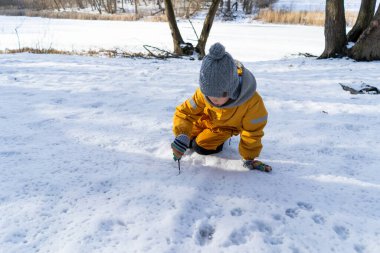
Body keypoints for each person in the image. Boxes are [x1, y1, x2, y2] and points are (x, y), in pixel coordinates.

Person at [171, 43, 271, 172]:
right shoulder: (203, 93)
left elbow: (253, 132)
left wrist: (249, 157)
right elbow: (185, 112)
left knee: (200, 147)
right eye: (209, 95)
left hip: (225, 127)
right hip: (206, 121)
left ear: (232, 88)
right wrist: (182, 135)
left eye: (220, 95)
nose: (214, 100)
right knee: (188, 141)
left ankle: (220, 140)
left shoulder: (251, 102)